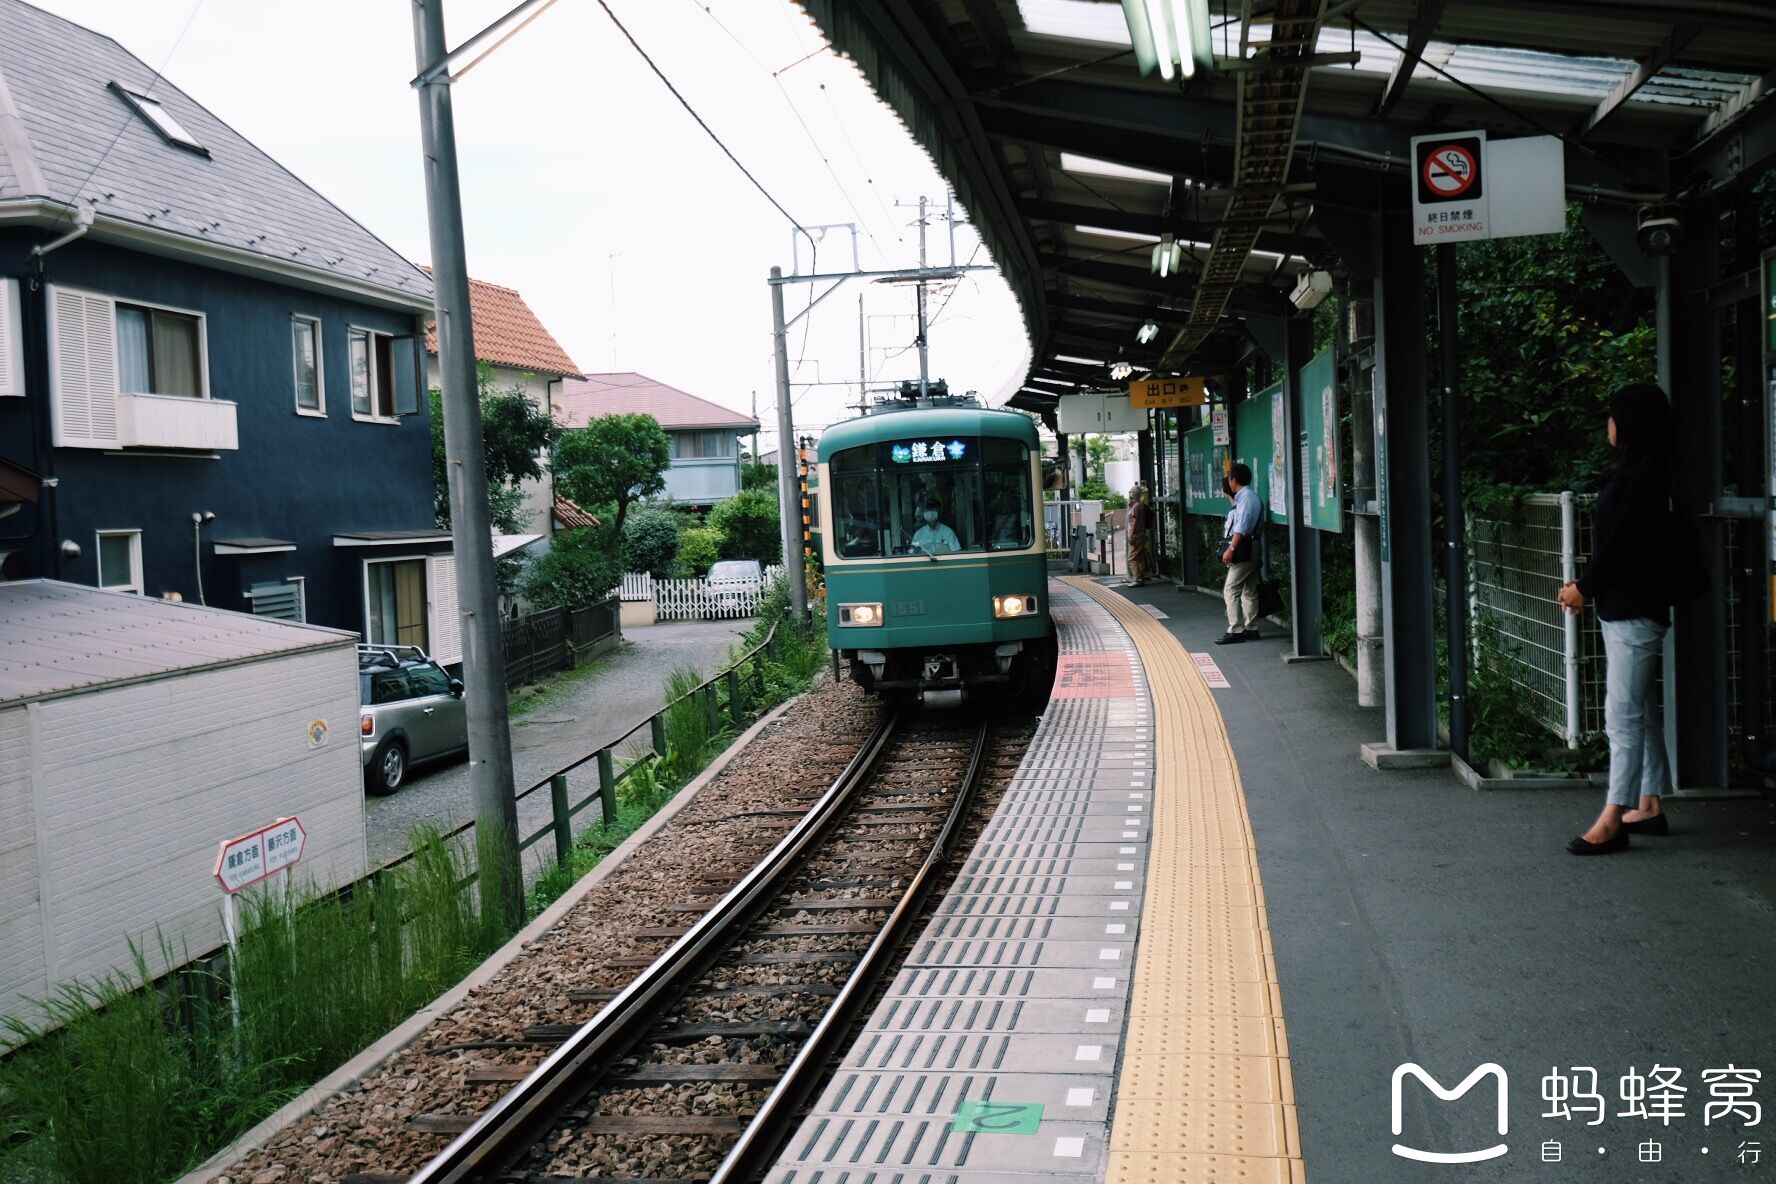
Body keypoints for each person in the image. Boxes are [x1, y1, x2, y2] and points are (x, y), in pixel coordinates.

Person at [1556, 383, 1677, 856]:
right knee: (1641, 713)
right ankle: (1648, 804)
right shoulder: (1648, 473)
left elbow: (1622, 545)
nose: (1608, 424)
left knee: (1621, 718)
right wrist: (1588, 587)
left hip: (1633, 610)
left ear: (1629, 423)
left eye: (1612, 416)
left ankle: (1613, 818)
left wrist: (1583, 588)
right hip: (1629, 606)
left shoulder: (1645, 477)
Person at [1215, 463, 1262, 645]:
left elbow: (1240, 529)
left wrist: (1231, 549)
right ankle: (1252, 628)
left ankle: (1236, 630)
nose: (1229, 482)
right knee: (1249, 588)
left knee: (1231, 588)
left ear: (1234, 481)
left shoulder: (1246, 499)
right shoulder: (1250, 497)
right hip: (1252, 545)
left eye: (1230, 479)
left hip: (1244, 547)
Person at [1126, 486, 1155, 584]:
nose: (1129, 493)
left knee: (1132, 558)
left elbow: (1135, 522)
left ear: (1133, 493)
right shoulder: (1141, 505)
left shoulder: (1136, 506)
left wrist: (1132, 534)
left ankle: (1137, 578)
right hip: (1141, 534)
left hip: (1136, 535)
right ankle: (1142, 576)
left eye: (1131, 492)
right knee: (1140, 556)